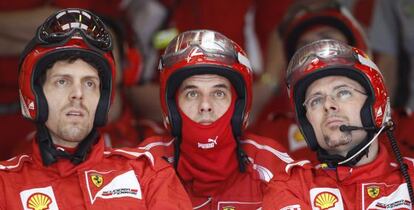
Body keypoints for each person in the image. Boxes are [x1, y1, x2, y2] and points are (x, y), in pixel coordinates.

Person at [0, 8, 191, 209]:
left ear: (103, 98)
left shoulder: (148, 174)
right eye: (62, 81)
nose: (78, 93)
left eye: (89, 83)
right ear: (36, 94)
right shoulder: (4, 185)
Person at [138, 29, 300, 209]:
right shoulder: (144, 167)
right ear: (172, 107)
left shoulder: (273, 166)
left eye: (218, 93)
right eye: (192, 94)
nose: (205, 105)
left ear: (238, 107)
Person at [262, 39, 414, 209]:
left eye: (343, 92)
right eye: (315, 101)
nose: (328, 105)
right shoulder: (290, 187)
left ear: (375, 106)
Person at [250, 0, 369, 162]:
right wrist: (269, 79)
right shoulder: (271, 133)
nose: (315, 52)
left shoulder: (397, 126)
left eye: (326, 39)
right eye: (304, 45)